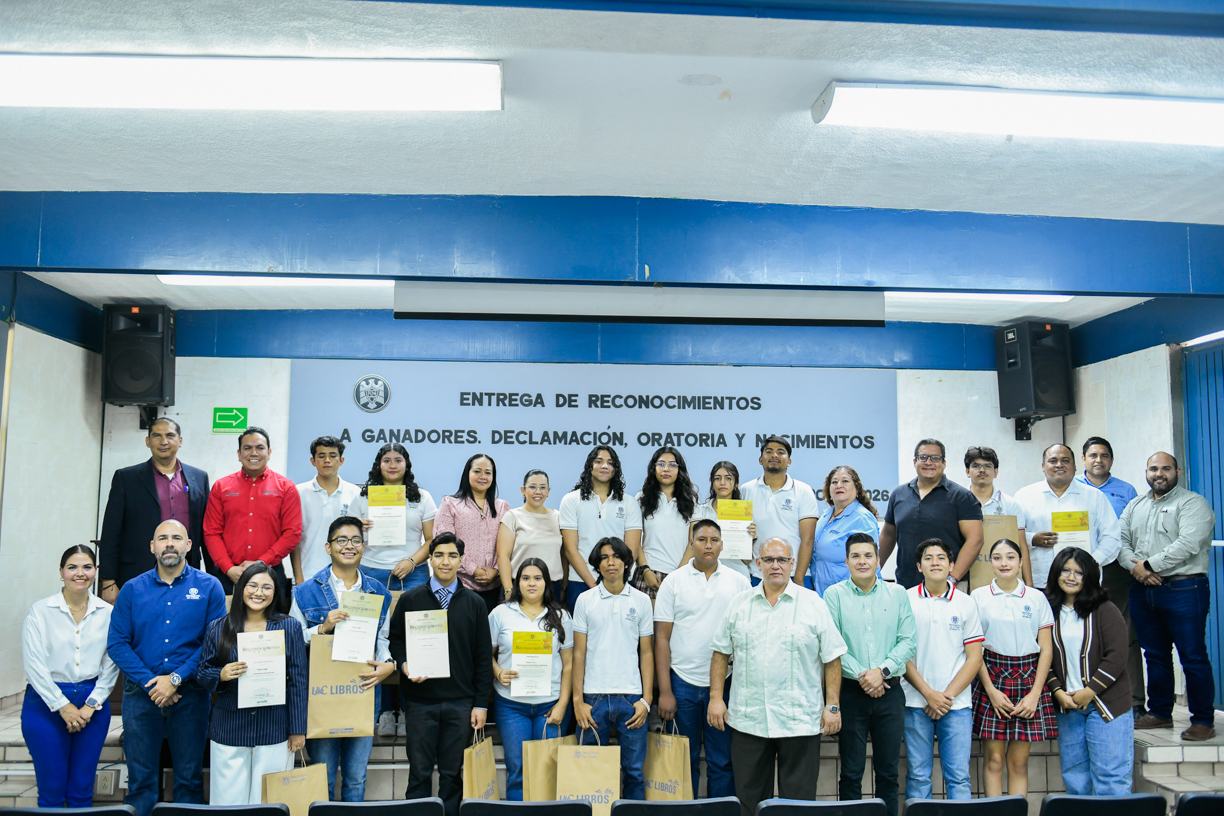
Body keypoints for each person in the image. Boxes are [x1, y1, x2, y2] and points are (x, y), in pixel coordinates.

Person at [708, 537, 848, 816]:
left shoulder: (813, 603)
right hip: (749, 720)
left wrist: (832, 705)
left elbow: (832, 658)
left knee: (798, 806)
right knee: (748, 803)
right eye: (769, 560)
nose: (775, 565)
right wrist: (715, 698)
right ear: (758, 564)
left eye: (782, 560)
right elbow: (721, 653)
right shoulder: (739, 604)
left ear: (792, 564)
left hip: (799, 721)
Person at [107, 519, 227, 816]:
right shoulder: (132, 589)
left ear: (189, 545)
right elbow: (117, 644)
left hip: (191, 696)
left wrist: (174, 679)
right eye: (162, 538)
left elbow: (214, 642)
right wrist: (154, 683)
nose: (169, 543)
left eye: (176, 538)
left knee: (189, 780)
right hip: (141, 697)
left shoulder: (209, 586)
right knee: (140, 783)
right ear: (152, 547)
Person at [289, 515, 396, 801]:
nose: (349, 546)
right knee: (322, 778)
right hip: (323, 693)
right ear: (328, 547)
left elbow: (382, 640)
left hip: (363, 688)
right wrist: (322, 628)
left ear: (363, 546)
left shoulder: (378, 592)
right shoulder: (304, 592)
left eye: (356, 540)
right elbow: (291, 640)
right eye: (342, 540)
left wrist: (388, 664)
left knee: (356, 779)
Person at [390, 532, 494, 816]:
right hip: (419, 702)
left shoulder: (475, 603)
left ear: (461, 560)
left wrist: (481, 703)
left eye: (452, 556)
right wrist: (404, 664)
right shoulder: (410, 599)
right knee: (419, 773)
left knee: (451, 774)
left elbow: (483, 657)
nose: (445, 561)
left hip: (460, 703)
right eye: (438, 555)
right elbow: (395, 640)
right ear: (430, 560)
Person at [1120, 452, 1218, 741]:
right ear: (1146, 472)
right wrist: (1137, 569)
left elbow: (1188, 543)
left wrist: (1148, 565)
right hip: (1143, 590)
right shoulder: (1135, 505)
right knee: (1155, 655)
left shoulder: (1193, 503)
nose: (1159, 474)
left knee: (1192, 655)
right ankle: (1160, 712)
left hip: (1184, 589)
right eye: (1153, 468)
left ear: (1178, 472)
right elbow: (1120, 541)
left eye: (1165, 468)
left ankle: (1203, 719)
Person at [654, 519, 751, 799]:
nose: (708, 545)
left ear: (722, 545)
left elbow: (746, 636)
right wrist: (665, 691)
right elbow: (661, 639)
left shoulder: (739, 582)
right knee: (684, 762)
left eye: (714, 540)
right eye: (702, 540)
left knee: (722, 761)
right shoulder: (673, 581)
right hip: (682, 683)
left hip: (724, 685)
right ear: (691, 544)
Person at [199, 562, 308, 804]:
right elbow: (202, 673)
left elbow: (298, 681)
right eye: (253, 586)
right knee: (228, 803)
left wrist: (298, 729)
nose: (259, 593)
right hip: (229, 728)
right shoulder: (219, 627)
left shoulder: (289, 627)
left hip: (274, 728)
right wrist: (221, 674)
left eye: (267, 587)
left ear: (275, 592)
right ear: (241, 589)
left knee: (269, 802)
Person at [823, 533, 916, 816]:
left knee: (888, 772)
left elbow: (908, 641)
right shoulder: (834, 595)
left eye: (868, 556)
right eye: (855, 556)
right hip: (851, 693)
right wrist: (866, 677)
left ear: (878, 560)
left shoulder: (897, 593)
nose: (862, 561)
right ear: (846, 561)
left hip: (890, 693)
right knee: (851, 772)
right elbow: (833, 646)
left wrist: (881, 672)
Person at [21, 545, 120, 808]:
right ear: (61, 572)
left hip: (92, 702)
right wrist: (63, 706)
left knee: (81, 790)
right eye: (72, 567)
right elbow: (34, 665)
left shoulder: (108, 613)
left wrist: (91, 705)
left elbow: (111, 662)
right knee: (51, 791)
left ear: (96, 571)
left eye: (87, 567)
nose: (80, 573)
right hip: (45, 702)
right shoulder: (40, 611)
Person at [970, 538, 1057, 798]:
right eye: (997, 558)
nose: (1004, 563)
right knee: (994, 760)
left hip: (1029, 679)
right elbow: (975, 651)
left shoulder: (1036, 597)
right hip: (992, 676)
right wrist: (991, 691)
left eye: (1010, 557)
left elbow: (1046, 650)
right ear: (991, 563)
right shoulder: (978, 596)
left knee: (1018, 763)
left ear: (1020, 562)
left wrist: (1035, 695)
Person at [1045, 548, 1134, 795]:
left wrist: (1089, 691)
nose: (1071, 577)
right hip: (1068, 707)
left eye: (1079, 572)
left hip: (1107, 705)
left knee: (1110, 778)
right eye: (1065, 571)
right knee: (1075, 779)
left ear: (1090, 576)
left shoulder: (1105, 609)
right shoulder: (1048, 611)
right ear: (1056, 573)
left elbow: (1117, 657)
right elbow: (1042, 657)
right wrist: (1057, 692)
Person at [571, 537, 654, 799]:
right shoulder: (585, 600)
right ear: (597, 564)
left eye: (616, 556)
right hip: (592, 699)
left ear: (627, 562)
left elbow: (647, 652)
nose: (611, 562)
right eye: (604, 557)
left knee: (634, 773)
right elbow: (578, 653)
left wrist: (647, 699)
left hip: (632, 700)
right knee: (589, 772)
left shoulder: (641, 600)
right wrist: (577, 700)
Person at [901, 538, 984, 802]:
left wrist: (945, 697)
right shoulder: (904, 600)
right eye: (928, 558)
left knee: (958, 777)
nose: (935, 562)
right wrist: (928, 694)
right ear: (919, 566)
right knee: (918, 776)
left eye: (941, 558)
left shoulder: (966, 603)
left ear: (951, 565)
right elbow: (900, 655)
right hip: (915, 702)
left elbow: (974, 658)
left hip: (956, 705)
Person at [488, 558, 574, 800]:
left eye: (538, 578)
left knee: (549, 770)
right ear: (517, 583)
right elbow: (485, 654)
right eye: (525, 578)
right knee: (518, 770)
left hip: (551, 705)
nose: (532, 583)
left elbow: (569, 665)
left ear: (547, 583)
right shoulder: (501, 613)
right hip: (511, 705)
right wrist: (498, 671)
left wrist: (562, 704)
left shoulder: (561, 616)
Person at [99, 417, 210, 601]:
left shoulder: (199, 478)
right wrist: (108, 581)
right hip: (136, 573)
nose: (163, 441)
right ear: (147, 441)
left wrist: (213, 578)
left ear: (180, 441)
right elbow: (111, 532)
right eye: (157, 436)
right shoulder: (126, 478)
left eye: (170, 436)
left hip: (187, 573)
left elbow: (206, 531)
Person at [1076, 436, 1144, 716]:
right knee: (1080, 632)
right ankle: (1080, 693)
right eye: (1093, 455)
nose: (1098, 460)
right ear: (1083, 459)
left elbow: (1132, 532)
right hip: (1077, 570)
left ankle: (1134, 701)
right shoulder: (1073, 487)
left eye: (1104, 455)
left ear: (1111, 460)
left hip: (1115, 569)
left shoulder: (1126, 490)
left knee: (1124, 632)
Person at [204, 426, 303, 606]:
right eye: (247, 448)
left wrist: (261, 563)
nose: (254, 453)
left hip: (270, 573)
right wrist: (228, 568)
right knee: (226, 624)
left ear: (269, 452)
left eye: (260, 447)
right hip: (228, 576)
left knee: (271, 624)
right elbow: (211, 532)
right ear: (239, 454)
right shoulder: (221, 487)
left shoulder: (286, 488)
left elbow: (292, 533)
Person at [1013, 443, 1121, 590]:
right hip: (1040, 581)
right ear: (1043, 466)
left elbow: (1112, 537)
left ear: (1075, 466)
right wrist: (1032, 539)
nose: (1059, 465)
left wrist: (1089, 563)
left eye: (1065, 460)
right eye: (1053, 461)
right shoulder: (1024, 496)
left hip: (1084, 581)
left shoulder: (1095, 496)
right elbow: (1010, 536)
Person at [880, 439, 983, 589]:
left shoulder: (962, 497)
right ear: (915, 462)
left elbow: (975, 540)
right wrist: (874, 571)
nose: (929, 462)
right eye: (923, 457)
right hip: (906, 584)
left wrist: (952, 579)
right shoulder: (899, 494)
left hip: (948, 585)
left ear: (944, 463)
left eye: (935, 458)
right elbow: (888, 536)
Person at [559, 446, 644, 612]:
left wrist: (614, 583)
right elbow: (570, 549)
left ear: (616, 469)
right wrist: (595, 585)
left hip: (620, 584)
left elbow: (631, 550)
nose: (604, 466)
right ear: (589, 466)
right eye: (598, 461)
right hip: (581, 583)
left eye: (610, 463)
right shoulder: (571, 500)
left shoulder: (629, 502)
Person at [349, 442, 437, 592]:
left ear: (406, 465)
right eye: (387, 461)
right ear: (379, 465)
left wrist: (411, 562)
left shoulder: (422, 497)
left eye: (398, 460)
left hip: (414, 572)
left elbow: (432, 539)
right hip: (370, 571)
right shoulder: (362, 497)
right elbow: (348, 537)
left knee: (415, 608)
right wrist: (356, 527)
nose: (392, 466)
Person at [434, 453, 511, 614]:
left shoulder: (502, 507)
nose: (483, 476)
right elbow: (444, 545)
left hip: (495, 588)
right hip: (460, 585)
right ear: (467, 474)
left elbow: (509, 546)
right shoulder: (450, 504)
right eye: (477, 471)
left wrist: (496, 571)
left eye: (488, 472)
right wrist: (473, 569)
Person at [740, 435, 820, 586]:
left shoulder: (803, 490)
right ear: (760, 459)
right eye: (769, 451)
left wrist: (799, 578)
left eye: (781, 452)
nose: (774, 455)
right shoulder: (746, 490)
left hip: (794, 575)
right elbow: (740, 532)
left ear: (789, 461)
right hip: (757, 575)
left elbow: (808, 539)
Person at [291, 435, 361, 586]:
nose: (327, 460)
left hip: (346, 578)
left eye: (333, 456)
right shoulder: (298, 492)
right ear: (313, 461)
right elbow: (294, 540)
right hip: (307, 576)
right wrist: (299, 578)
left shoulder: (355, 493)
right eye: (321, 456)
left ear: (341, 460)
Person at [635, 446, 700, 600]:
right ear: (654, 468)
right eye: (661, 464)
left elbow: (694, 539)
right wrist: (645, 570)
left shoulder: (691, 501)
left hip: (681, 574)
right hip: (649, 574)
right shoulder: (642, 499)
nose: (666, 469)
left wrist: (679, 574)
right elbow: (635, 540)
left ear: (680, 469)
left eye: (672, 465)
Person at [964, 445, 1032, 587]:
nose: (982, 470)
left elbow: (1021, 545)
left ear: (995, 472)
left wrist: (1029, 584)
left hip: (1003, 575)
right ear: (967, 472)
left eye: (988, 466)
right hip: (965, 575)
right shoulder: (958, 502)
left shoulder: (1010, 505)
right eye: (976, 466)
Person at [809, 466, 880, 595]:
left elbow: (868, 563)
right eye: (834, 482)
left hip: (851, 596)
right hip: (822, 594)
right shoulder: (825, 516)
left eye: (845, 481)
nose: (839, 485)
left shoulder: (862, 518)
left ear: (856, 488)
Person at [497, 469, 564, 598]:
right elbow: (503, 556)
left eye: (543, 487)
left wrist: (564, 587)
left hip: (552, 587)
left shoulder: (558, 517)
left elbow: (564, 555)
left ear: (548, 491)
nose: (538, 492)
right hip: (520, 587)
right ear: (523, 490)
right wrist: (508, 590)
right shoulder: (512, 517)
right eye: (532, 487)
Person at [693, 460, 754, 578]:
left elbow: (746, 561)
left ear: (736, 484)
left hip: (738, 575)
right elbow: (693, 549)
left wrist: (749, 538)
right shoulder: (701, 511)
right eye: (717, 478)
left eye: (728, 478)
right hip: (706, 576)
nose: (722, 482)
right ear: (712, 483)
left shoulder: (744, 513)